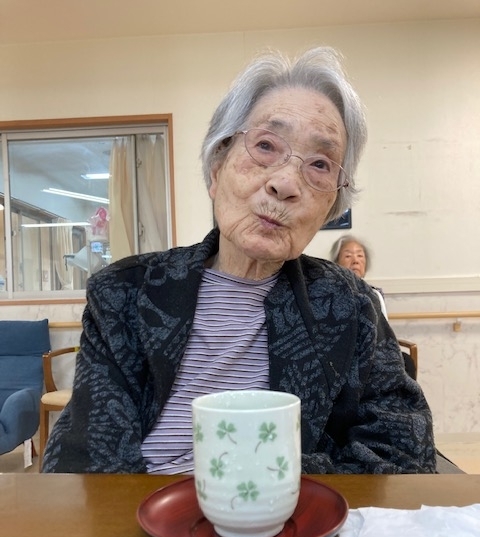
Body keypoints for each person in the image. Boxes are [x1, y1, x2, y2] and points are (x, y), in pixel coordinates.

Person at [42, 46, 436, 474]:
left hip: (290, 513)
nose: (285, 183)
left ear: (330, 207)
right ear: (217, 168)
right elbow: (85, 460)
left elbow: (404, 454)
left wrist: (265, 484)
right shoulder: (125, 293)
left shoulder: (349, 305)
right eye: (265, 145)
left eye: (320, 165)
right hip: (142, 512)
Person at [330, 234, 417, 378]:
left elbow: (385, 331)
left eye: (360, 256)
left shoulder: (375, 294)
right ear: (336, 263)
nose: (355, 261)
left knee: (406, 362)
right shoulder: (330, 293)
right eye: (348, 256)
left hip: (376, 352)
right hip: (346, 354)